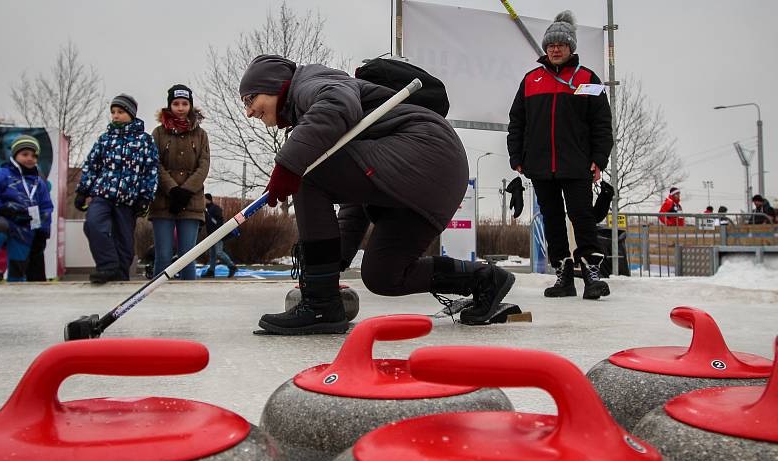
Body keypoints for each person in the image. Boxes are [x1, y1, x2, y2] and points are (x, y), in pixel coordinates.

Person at [238, 54, 514, 334]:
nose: (249, 112)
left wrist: (288, 165)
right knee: (383, 275)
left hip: (424, 151)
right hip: (436, 177)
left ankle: (320, 306)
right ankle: (484, 280)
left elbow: (337, 104)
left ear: (273, 85)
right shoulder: (315, 117)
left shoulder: (309, 83)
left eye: (250, 100)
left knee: (307, 170)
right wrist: (331, 263)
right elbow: (354, 196)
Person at [507, 11, 613, 300]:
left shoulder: (588, 79)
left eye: (561, 45)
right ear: (545, 48)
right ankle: (563, 274)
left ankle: (592, 273)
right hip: (540, 166)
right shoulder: (531, 80)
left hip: (577, 164)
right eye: (551, 45)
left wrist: (599, 158)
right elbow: (517, 121)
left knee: (582, 217)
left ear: (571, 48)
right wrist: (516, 156)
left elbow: (602, 123)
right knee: (552, 219)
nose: (555, 49)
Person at [76, 94, 159, 283]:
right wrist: (83, 191)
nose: (115, 116)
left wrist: (145, 197)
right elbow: (92, 165)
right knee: (93, 224)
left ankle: (120, 278)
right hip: (103, 194)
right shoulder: (105, 139)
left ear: (131, 114)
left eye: (120, 112)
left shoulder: (144, 140)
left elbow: (151, 170)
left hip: (128, 199)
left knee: (125, 241)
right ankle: (107, 265)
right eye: (113, 112)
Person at [149, 84, 210, 280]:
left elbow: (204, 165)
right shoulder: (158, 133)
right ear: (169, 106)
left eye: (185, 103)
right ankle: (157, 299)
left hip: (191, 202)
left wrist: (185, 191)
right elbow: (154, 163)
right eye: (176, 103)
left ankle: (190, 303)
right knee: (164, 256)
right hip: (163, 202)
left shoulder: (201, 135)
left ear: (190, 106)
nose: (181, 108)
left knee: (187, 257)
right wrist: (173, 189)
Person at [0, 135, 53, 282]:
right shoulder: (1, 174)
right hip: (2, 219)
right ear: (14, 155)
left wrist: (43, 231)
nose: (30, 158)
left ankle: (17, 283)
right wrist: (1, 208)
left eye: (34, 156)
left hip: (24, 226)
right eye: (24, 154)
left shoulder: (39, 183)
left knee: (19, 264)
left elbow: (46, 207)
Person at [201, 193, 237, 278]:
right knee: (212, 253)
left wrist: (218, 232)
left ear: (207, 199)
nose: (202, 201)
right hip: (212, 235)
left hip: (217, 234)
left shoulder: (215, 209)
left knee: (219, 252)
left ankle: (232, 266)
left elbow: (219, 221)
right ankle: (211, 271)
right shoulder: (208, 210)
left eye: (203, 199)